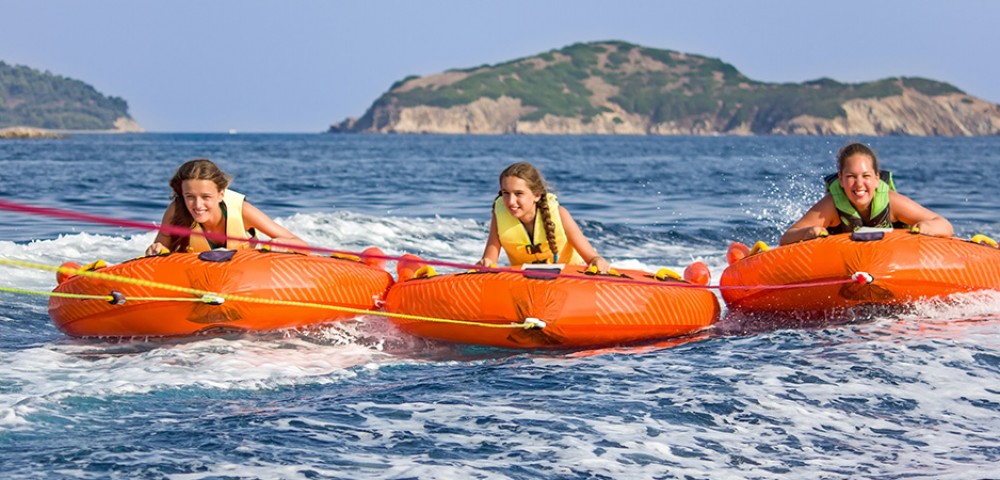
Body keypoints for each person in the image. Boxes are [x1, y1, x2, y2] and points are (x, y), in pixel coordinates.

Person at [780, 142, 953, 245]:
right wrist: (808, 233)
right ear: (840, 179)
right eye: (851, 177)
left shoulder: (892, 203)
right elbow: (787, 238)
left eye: (866, 176)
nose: (859, 184)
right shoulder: (831, 206)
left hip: (894, 257)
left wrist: (927, 227)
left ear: (877, 179)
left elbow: (944, 225)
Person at [145, 159, 309, 255]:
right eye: (190, 197)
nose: (197, 205)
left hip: (244, 276)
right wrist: (157, 248)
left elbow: (302, 246)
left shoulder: (242, 211)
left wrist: (280, 244)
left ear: (221, 194)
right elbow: (161, 249)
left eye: (206, 197)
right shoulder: (176, 210)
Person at [475, 162, 611, 273]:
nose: (511, 201)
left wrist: (597, 261)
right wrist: (485, 263)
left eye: (518, 193)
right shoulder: (499, 217)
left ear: (536, 195)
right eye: (505, 193)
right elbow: (489, 260)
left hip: (570, 280)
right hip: (526, 282)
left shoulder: (560, 214)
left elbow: (592, 257)